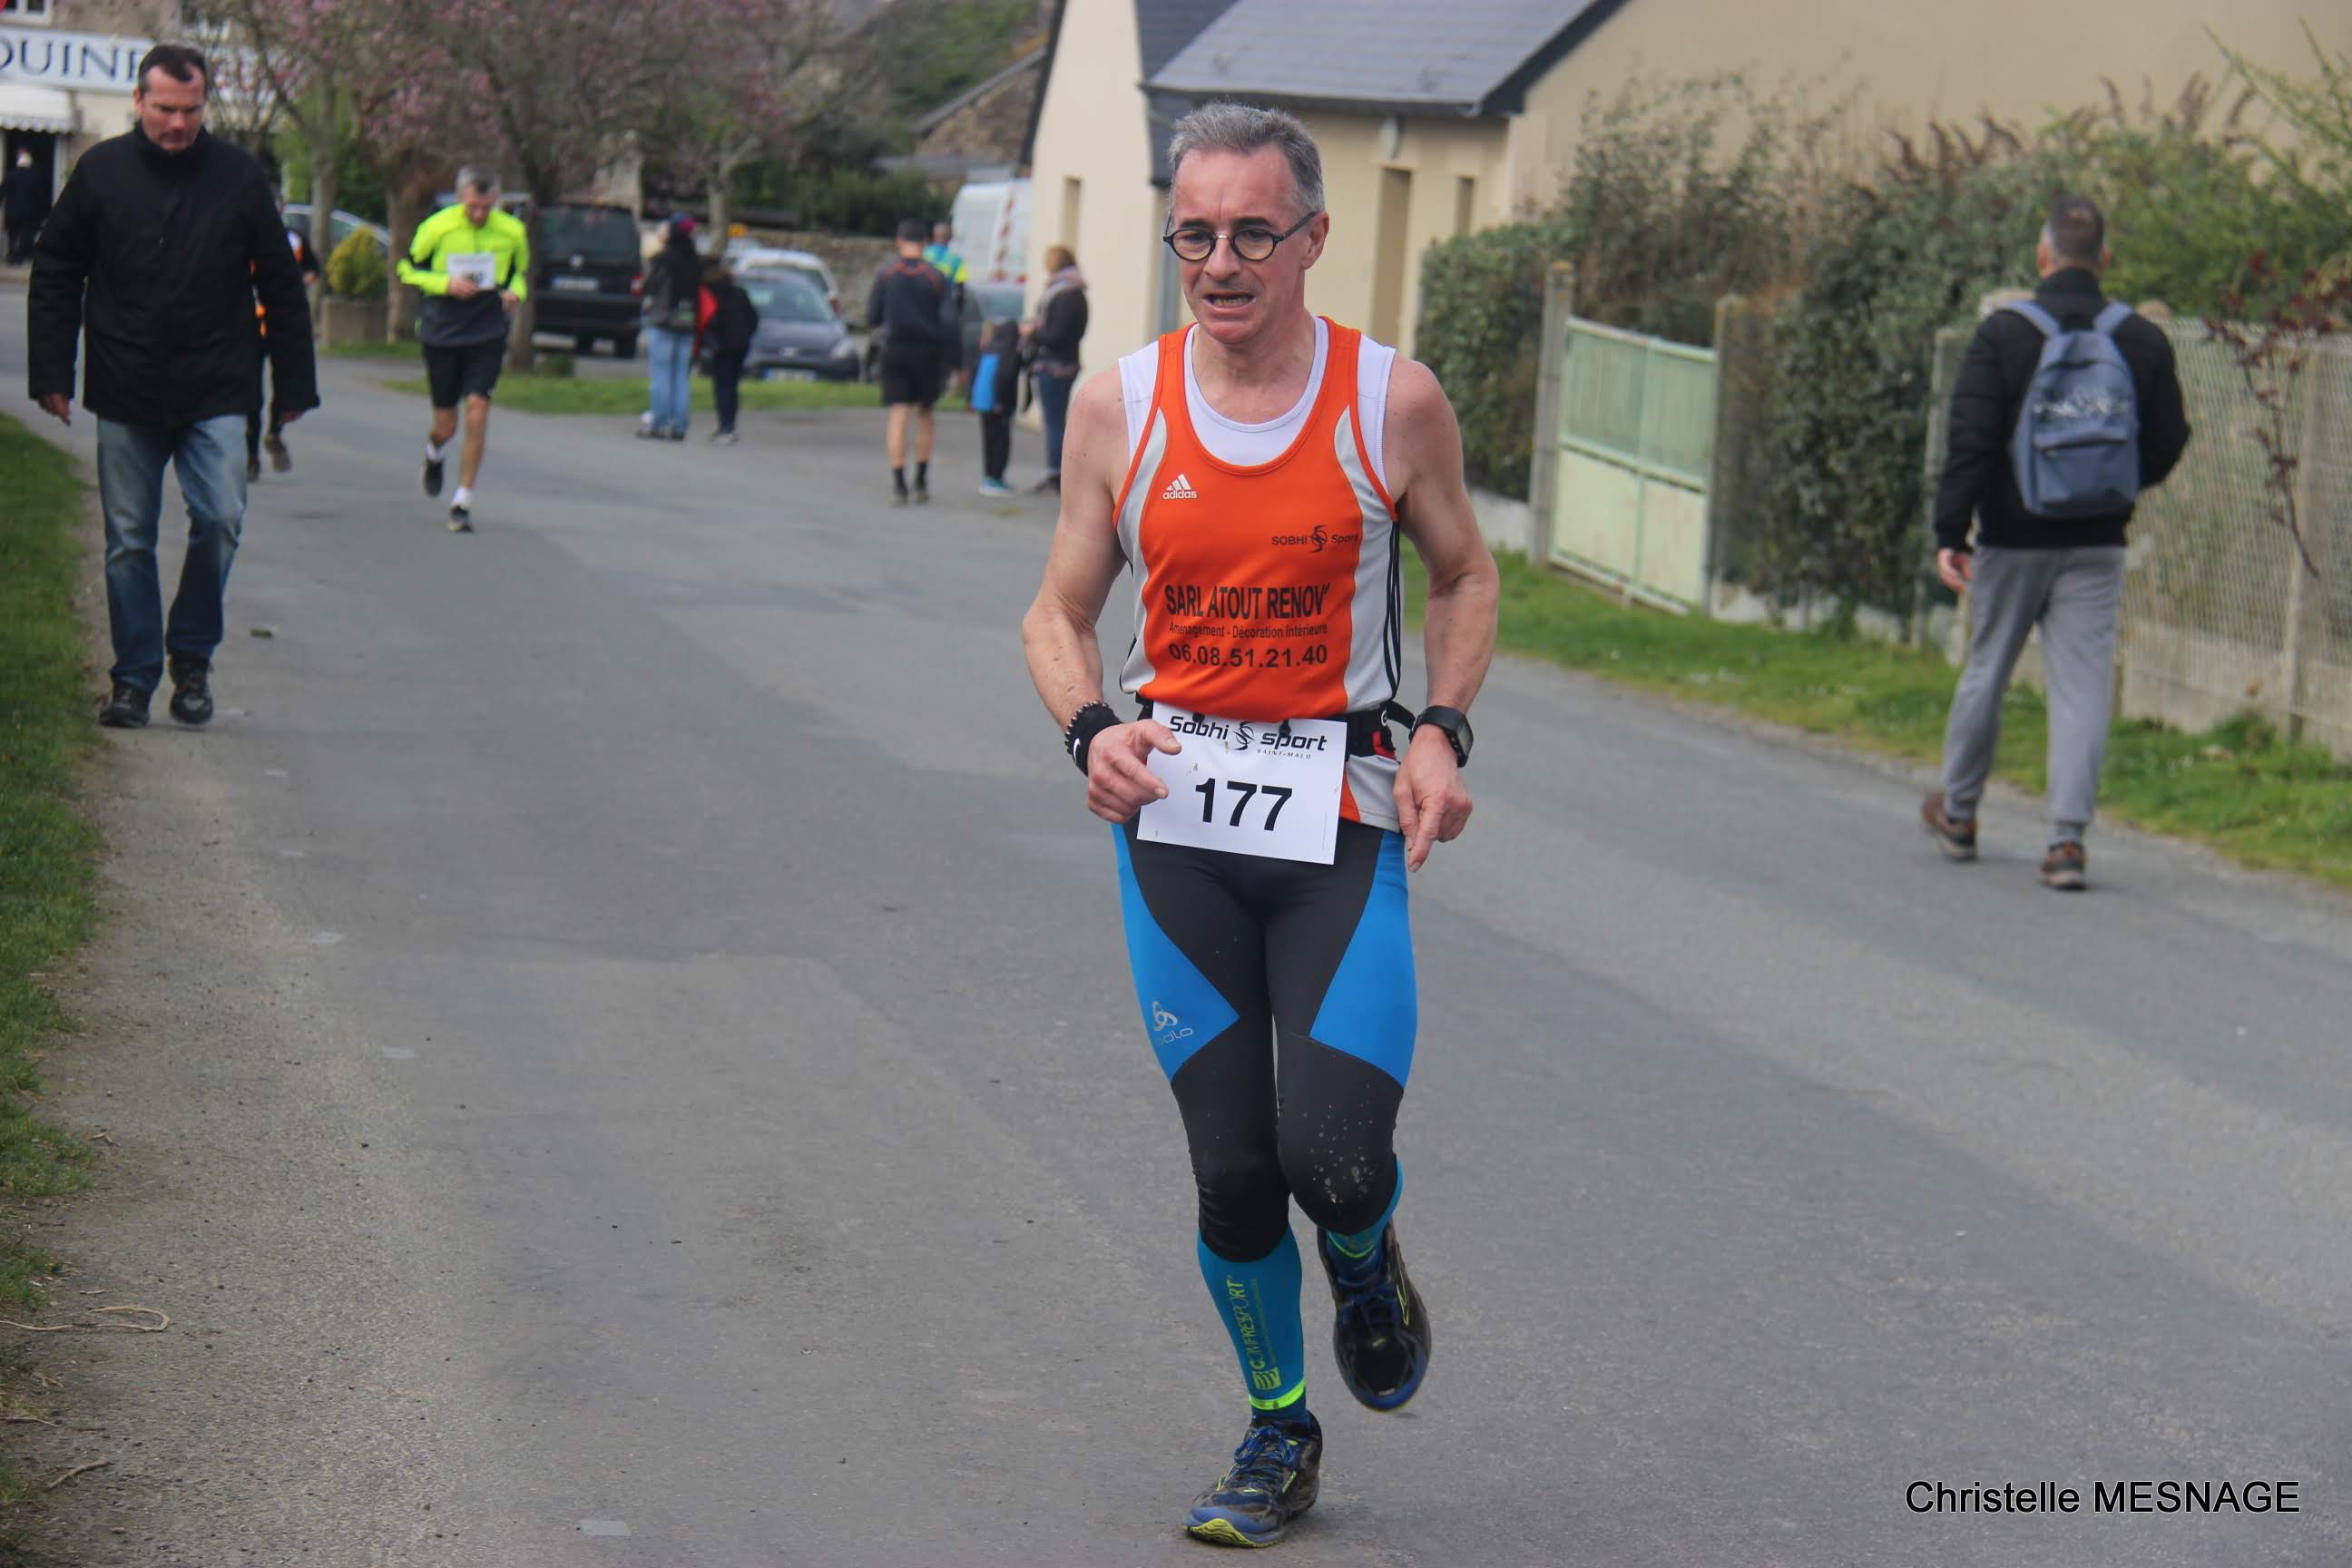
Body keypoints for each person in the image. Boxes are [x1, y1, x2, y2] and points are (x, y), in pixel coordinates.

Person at [1018, 103, 1498, 1548]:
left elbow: (1466, 576)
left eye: (1250, 234)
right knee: (1231, 1169)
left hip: (1338, 819)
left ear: (1313, 238)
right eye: (1195, 235)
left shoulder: (1390, 401)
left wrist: (1441, 727)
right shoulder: (1122, 405)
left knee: (1333, 1157)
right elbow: (1058, 612)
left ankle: (1364, 1253)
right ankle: (1279, 1428)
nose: (1219, 263)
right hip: (1178, 823)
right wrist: (1091, 729)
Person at [27, 44, 318, 730]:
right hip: (126, 381)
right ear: (138, 101)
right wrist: (52, 372)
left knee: (219, 518)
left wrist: (292, 387)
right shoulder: (100, 173)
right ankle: (133, 679)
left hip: (217, 381)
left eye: (190, 110)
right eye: (164, 109)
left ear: (204, 105)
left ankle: (191, 656)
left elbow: (281, 283)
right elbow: (57, 271)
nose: (178, 123)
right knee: (130, 539)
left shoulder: (238, 177)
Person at [1922, 193, 2190, 890]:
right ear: (2105, 259)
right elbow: (2169, 441)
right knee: (2082, 688)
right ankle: (2066, 842)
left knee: (1988, 671)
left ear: (2042, 256)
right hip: (2099, 542)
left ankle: (1959, 814)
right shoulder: (2143, 340)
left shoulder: (2004, 335)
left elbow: (1972, 442)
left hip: (2012, 539)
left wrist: (1952, 531)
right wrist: (2113, 488)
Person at [397, 166, 528, 532]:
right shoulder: (437, 227)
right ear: (460, 199)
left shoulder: (512, 231)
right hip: (443, 328)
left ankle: (462, 501)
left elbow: (518, 275)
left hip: (487, 330)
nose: (480, 214)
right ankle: (434, 453)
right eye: (473, 207)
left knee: (477, 412)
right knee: (447, 423)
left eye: (487, 207)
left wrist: (515, 293)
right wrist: (444, 283)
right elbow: (407, 268)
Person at [867, 218, 956, 505]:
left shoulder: (886, 274)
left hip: (895, 348)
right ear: (926, 243)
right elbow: (949, 320)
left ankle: (898, 483)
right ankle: (920, 479)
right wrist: (953, 358)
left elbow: (872, 315)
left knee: (898, 413)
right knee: (926, 414)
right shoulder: (936, 277)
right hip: (928, 350)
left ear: (899, 241)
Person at [246, 191, 320, 481]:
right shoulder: (241, 236)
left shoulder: (294, 240)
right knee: (251, 391)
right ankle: (251, 453)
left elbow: (313, 269)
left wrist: (298, 281)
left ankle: (274, 432)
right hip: (249, 323)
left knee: (284, 382)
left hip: (281, 322)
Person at [1021, 242, 1087, 494]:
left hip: (1054, 365)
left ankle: (1056, 474)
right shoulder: (1077, 293)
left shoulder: (1062, 295)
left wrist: (1033, 333)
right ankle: (1058, 473)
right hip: (1068, 363)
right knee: (1057, 420)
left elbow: (1056, 334)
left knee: (1054, 422)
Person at [641, 213, 701, 442]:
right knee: (681, 378)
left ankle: (658, 422)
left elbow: (651, 286)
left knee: (661, 376)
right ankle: (679, 425)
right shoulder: (695, 260)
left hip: (663, 320)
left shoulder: (665, 258)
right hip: (687, 322)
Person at [697, 263, 757, 446]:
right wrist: (747, 334)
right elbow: (753, 317)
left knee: (722, 385)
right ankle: (730, 426)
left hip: (722, 343)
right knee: (732, 385)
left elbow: (709, 318)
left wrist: (710, 338)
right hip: (741, 343)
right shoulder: (739, 293)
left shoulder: (709, 293)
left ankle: (724, 427)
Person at [970, 313, 1019, 495]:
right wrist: (1001, 401)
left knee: (988, 440)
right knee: (1001, 442)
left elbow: (975, 372)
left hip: (982, 402)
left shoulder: (990, 347)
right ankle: (996, 479)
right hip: (998, 403)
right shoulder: (1009, 350)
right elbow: (1004, 376)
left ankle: (989, 477)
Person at [3, 147, 50, 266]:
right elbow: (40, 197)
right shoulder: (35, 177)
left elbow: (2, 191)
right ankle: (20, 256)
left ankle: (11, 256)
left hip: (12, 211)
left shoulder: (11, 175)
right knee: (25, 235)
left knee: (12, 235)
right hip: (29, 212)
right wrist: (42, 213)